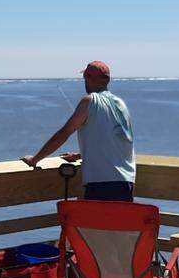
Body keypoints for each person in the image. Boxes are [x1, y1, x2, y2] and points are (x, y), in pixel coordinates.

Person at [21, 60, 135, 201]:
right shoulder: (121, 104)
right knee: (117, 223)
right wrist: (82, 155)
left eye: (85, 78)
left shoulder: (90, 101)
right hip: (126, 184)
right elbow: (116, 142)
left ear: (88, 78)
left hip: (101, 184)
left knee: (94, 223)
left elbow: (63, 134)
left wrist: (35, 159)